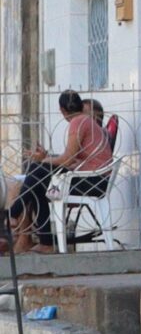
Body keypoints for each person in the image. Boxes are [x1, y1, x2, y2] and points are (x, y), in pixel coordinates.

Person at [11, 88, 104, 250]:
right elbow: (73, 159)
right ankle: (46, 242)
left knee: (37, 169)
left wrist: (45, 161)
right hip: (92, 178)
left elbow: (67, 159)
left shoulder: (78, 121)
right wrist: (46, 160)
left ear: (62, 110)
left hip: (92, 182)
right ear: (80, 105)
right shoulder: (86, 121)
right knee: (39, 182)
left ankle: (13, 212)